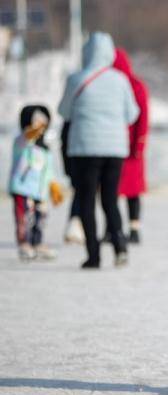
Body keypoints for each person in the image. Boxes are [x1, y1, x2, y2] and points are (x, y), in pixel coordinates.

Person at [58, 32, 140, 268]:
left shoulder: (76, 79)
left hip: (84, 148)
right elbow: (132, 114)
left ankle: (93, 255)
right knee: (110, 200)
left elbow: (64, 112)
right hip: (114, 148)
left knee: (86, 201)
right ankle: (120, 246)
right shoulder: (120, 80)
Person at [8, 105, 64, 261]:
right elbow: (28, 136)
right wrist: (33, 129)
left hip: (40, 191)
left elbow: (49, 170)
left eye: (43, 123)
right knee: (24, 218)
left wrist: (54, 186)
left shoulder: (45, 149)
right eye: (36, 121)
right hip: (23, 188)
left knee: (40, 218)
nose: (40, 126)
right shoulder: (21, 142)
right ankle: (24, 244)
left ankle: (37, 243)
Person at [111, 48, 149, 244]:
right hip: (116, 146)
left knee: (132, 191)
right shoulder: (112, 86)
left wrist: (139, 144)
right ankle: (113, 228)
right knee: (112, 190)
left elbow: (143, 118)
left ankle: (134, 229)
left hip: (131, 148)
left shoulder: (136, 86)